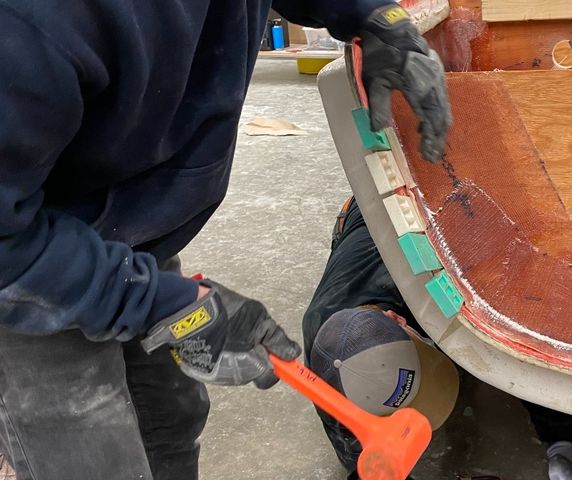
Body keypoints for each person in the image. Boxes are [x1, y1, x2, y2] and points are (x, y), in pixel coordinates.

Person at [0, 2, 450, 479]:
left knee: (170, 417)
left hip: (126, 221)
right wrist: (158, 304)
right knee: (94, 458)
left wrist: (371, 16)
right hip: (31, 267)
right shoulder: (31, 22)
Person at [303, 197, 572, 480]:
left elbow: (521, 341)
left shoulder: (442, 280)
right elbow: (355, 450)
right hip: (361, 233)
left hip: (425, 212)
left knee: (494, 334)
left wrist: (559, 443)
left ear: (397, 319)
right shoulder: (323, 348)